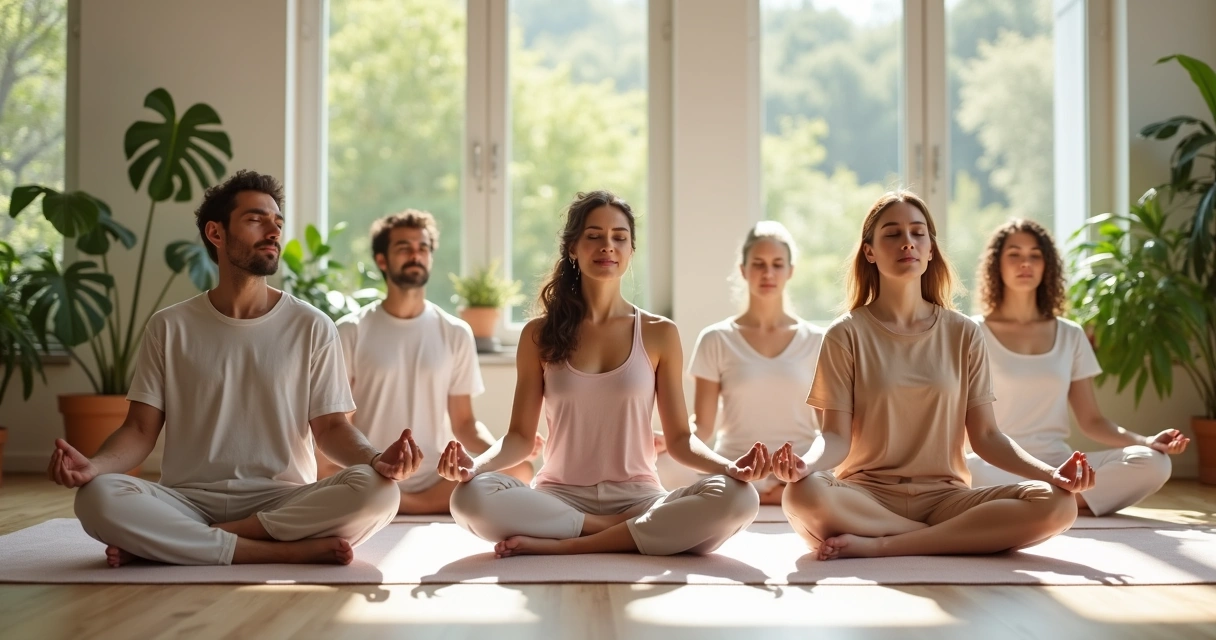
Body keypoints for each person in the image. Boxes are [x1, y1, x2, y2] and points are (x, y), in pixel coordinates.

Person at [48, 170, 419, 567]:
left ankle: (200, 543)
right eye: (256, 219)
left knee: (380, 492)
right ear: (216, 233)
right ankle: (277, 552)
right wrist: (95, 466)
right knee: (95, 497)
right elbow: (140, 430)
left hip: (282, 500)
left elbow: (331, 429)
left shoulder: (312, 326)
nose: (273, 231)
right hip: (186, 501)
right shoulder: (169, 326)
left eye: (277, 222)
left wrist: (375, 458)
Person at [439, 190, 763, 558]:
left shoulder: (659, 332)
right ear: (573, 248)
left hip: (638, 498)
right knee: (469, 497)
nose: (607, 246)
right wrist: (474, 466)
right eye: (593, 236)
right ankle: (620, 535)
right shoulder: (537, 335)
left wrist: (730, 466)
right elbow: (518, 437)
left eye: (619, 238)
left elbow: (679, 439)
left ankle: (568, 546)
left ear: (630, 251)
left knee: (740, 496)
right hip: (559, 499)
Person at [774, 190, 1095, 561]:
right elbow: (834, 436)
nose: (907, 242)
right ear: (870, 252)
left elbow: (987, 436)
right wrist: (806, 465)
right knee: (801, 492)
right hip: (865, 497)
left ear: (930, 249)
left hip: (947, 497)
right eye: (892, 234)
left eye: (918, 233)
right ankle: (955, 539)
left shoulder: (964, 333)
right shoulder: (845, 334)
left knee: (1059, 504)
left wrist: (1051, 474)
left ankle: (888, 543)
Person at [966, 218, 1188, 515]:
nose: (1025, 263)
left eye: (1035, 255)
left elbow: (1092, 421)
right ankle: (1058, 497)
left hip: (1060, 464)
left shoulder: (1071, 334)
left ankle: (1048, 498)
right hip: (996, 463)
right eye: (1014, 254)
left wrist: (1147, 441)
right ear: (996, 264)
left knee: (1154, 462)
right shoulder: (971, 331)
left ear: (1047, 266)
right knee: (968, 469)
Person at [331, 210, 538, 514]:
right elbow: (340, 424)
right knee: (322, 467)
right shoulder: (350, 330)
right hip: (373, 469)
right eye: (404, 248)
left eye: (423, 248)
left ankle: (401, 505)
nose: (416, 254)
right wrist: (373, 462)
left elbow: (464, 423)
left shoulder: (454, 331)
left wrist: (503, 451)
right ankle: (397, 500)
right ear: (382, 260)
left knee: (521, 469)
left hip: (437, 477)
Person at [657, 221, 824, 504]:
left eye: (777, 264)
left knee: (837, 477)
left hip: (801, 470)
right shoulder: (716, 339)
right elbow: (705, 426)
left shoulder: (817, 340)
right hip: (736, 468)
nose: (768, 273)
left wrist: (804, 468)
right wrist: (670, 438)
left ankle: (781, 494)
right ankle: (769, 496)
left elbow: (828, 430)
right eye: (758, 263)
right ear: (743, 270)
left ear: (790, 271)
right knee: (664, 465)